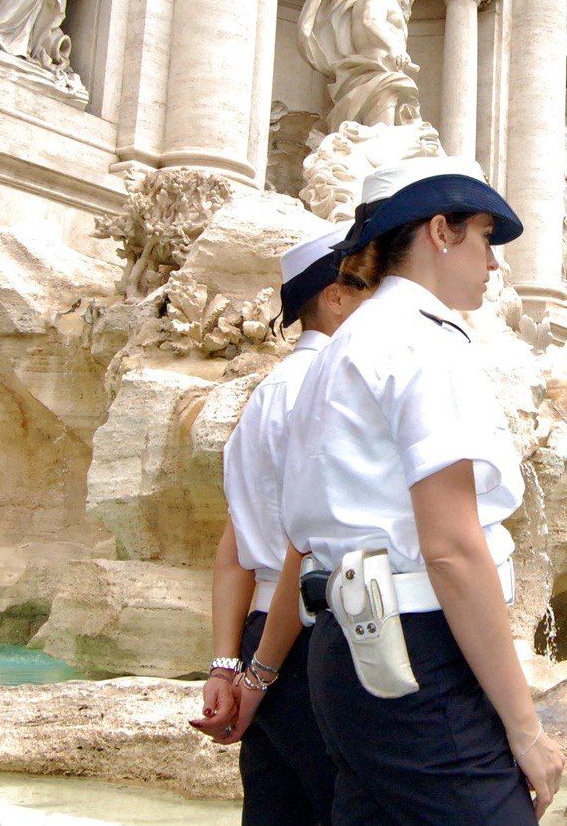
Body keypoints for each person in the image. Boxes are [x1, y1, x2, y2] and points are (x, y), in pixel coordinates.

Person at [219, 159, 566, 824]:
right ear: (440, 230)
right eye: (484, 237)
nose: (493, 262)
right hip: (416, 653)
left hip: (344, 653)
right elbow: (452, 547)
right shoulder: (420, 345)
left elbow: (300, 531)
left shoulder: (342, 352)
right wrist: (526, 729)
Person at [189, 222, 371, 825]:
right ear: (336, 296)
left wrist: (226, 664)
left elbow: (234, 546)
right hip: (310, 639)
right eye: (370, 286)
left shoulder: (266, 395)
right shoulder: (328, 392)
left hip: (264, 634)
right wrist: (261, 675)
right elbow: (305, 547)